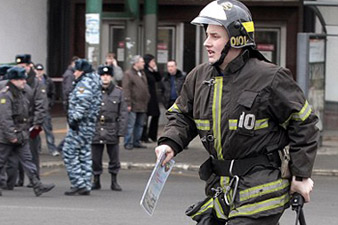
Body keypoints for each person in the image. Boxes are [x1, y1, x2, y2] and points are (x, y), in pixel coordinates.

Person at [155, 1, 319, 224]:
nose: (207, 43)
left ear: (237, 38)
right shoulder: (199, 77)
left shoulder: (271, 77)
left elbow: (305, 124)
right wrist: (170, 143)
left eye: (215, 36)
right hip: (222, 190)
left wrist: (300, 176)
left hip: (261, 192)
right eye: (207, 35)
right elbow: (182, 115)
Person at [0, 67, 55, 197]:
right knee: (1, 161)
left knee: (28, 160)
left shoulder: (21, 92)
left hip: (21, 133)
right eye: (21, 79)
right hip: (7, 136)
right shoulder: (6, 95)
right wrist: (11, 135)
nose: (24, 81)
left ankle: (37, 184)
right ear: (13, 80)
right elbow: (5, 118)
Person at [62, 59, 102, 196]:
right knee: (84, 153)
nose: (74, 74)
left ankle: (78, 183)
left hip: (81, 125)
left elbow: (83, 101)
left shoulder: (84, 83)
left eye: (77, 71)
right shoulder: (94, 80)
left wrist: (75, 119)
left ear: (82, 71)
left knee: (69, 152)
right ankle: (85, 183)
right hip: (89, 124)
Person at [10, 54, 47, 187]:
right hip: (19, 122)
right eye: (19, 66)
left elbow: (41, 104)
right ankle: (19, 178)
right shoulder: (16, 81)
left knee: (32, 152)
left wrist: (37, 123)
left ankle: (34, 178)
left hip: (31, 122)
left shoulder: (36, 82)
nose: (21, 68)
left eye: (24, 66)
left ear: (30, 66)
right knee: (18, 151)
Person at [91, 65, 127, 191]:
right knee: (95, 158)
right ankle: (96, 180)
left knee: (114, 157)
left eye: (107, 75)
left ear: (111, 77)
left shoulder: (118, 92)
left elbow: (123, 113)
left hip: (112, 127)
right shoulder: (94, 91)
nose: (105, 78)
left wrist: (121, 131)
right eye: (102, 75)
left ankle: (114, 180)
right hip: (96, 127)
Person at [122, 55, 150, 150]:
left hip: (142, 104)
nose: (143, 63)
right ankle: (128, 142)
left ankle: (136, 141)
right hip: (133, 104)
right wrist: (128, 103)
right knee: (130, 124)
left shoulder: (142, 73)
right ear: (136, 63)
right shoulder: (128, 74)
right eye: (141, 61)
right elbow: (126, 89)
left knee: (140, 124)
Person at [34, 63, 59, 157]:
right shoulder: (32, 81)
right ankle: (37, 149)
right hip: (36, 109)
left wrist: (50, 104)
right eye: (37, 70)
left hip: (45, 109)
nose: (39, 72)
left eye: (40, 70)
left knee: (48, 130)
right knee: (35, 131)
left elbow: (52, 93)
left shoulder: (48, 81)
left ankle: (52, 149)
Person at [57, 56, 79, 153]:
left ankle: (65, 147)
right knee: (73, 130)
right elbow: (68, 90)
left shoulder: (70, 73)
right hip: (71, 105)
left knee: (73, 129)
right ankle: (63, 147)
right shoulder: (70, 75)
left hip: (70, 104)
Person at [141, 54, 161, 143]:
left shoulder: (152, 71)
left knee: (156, 114)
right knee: (145, 116)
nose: (154, 63)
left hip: (153, 96)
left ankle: (152, 135)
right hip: (146, 96)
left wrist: (155, 70)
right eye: (152, 61)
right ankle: (143, 136)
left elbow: (158, 79)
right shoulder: (144, 72)